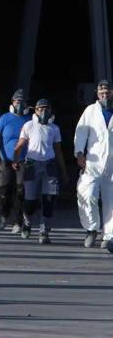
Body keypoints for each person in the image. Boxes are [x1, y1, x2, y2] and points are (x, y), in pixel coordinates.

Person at [13, 99, 68, 244]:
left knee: (49, 200)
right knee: (30, 200)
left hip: (49, 165)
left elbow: (58, 150)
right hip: (32, 164)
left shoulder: (54, 128)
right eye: (40, 109)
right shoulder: (29, 125)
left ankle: (44, 232)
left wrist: (63, 171)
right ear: (35, 111)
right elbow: (20, 145)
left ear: (51, 111)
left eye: (46, 109)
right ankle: (27, 222)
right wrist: (16, 160)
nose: (43, 112)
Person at [74, 80, 113, 251]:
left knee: (111, 201)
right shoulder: (90, 111)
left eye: (107, 92)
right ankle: (91, 228)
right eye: (102, 92)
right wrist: (79, 153)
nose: (105, 95)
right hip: (93, 161)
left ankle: (109, 235)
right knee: (87, 194)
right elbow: (81, 131)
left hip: (112, 163)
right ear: (97, 93)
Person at [0, 89, 32, 233]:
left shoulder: (30, 120)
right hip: (5, 159)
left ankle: (18, 221)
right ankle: (3, 214)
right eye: (16, 101)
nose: (19, 104)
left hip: (23, 160)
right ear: (12, 102)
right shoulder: (5, 118)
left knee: (21, 191)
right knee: (4, 190)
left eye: (22, 101)